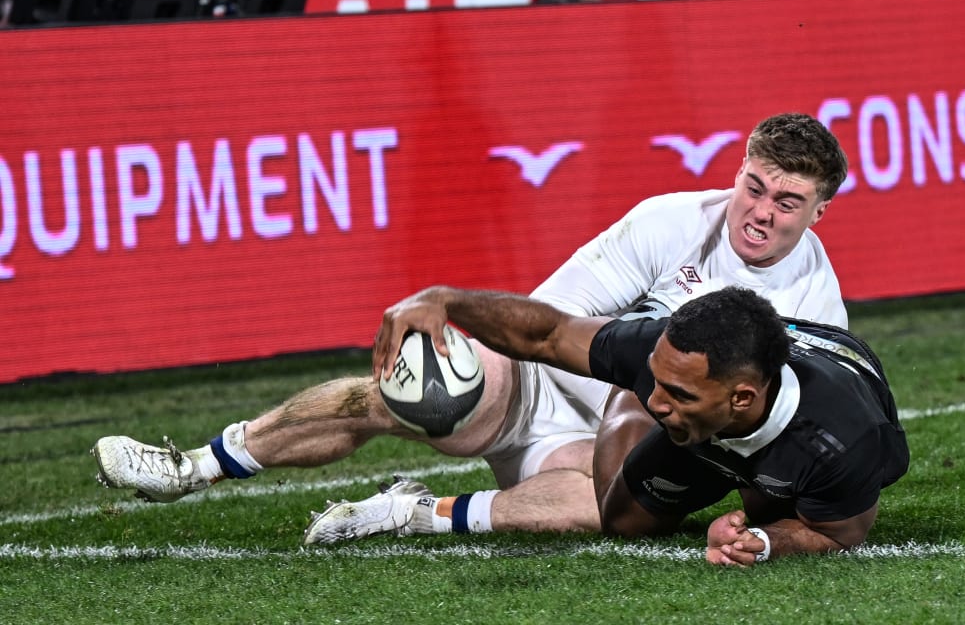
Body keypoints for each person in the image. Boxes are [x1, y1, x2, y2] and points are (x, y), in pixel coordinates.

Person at [90, 112, 849, 544]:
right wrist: (454, 316)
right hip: (545, 382)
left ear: (821, 210)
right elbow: (551, 324)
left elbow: (764, 437)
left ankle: (409, 512)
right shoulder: (670, 222)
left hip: (615, 438)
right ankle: (193, 467)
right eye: (754, 185)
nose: (760, 210)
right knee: (417, 389)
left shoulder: (816, 312)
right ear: (738, 171)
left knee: (619, 510)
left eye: (787, 201)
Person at [368, 285, 909, 565]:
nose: (659, 399)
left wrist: (765, 542)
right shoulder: (662, 356)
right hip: (715, 424)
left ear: (742, 397)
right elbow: (549, 335)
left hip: (800, 426)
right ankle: (626, 402)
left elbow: (839, 534)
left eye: (677, 393)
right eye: (654, 381)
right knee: (623, 522)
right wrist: (445, 300)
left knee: (779, 504)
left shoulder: (846, 438)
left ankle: (753, 483)